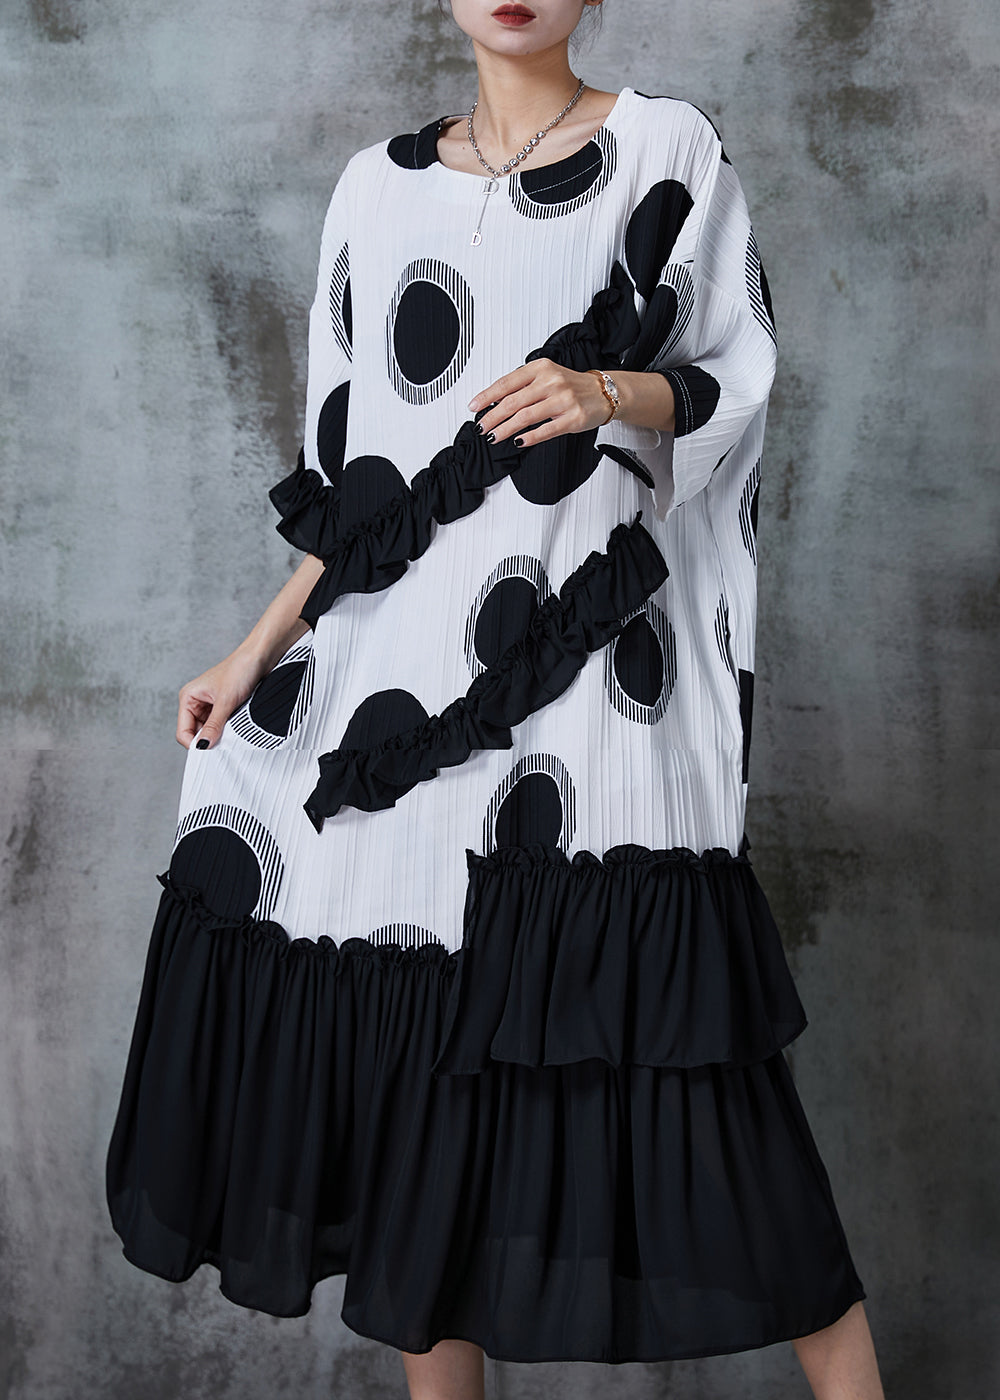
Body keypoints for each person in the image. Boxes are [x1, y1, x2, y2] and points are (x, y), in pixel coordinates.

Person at [105, 2, 887, 1396]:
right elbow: (357, 483)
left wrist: (604, 391)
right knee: (423, 1106)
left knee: (702, 1096)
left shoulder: (668, 150)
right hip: (403, 693)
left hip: (590, 697)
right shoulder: (374, 192)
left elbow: (737, 379)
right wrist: (252, 650)